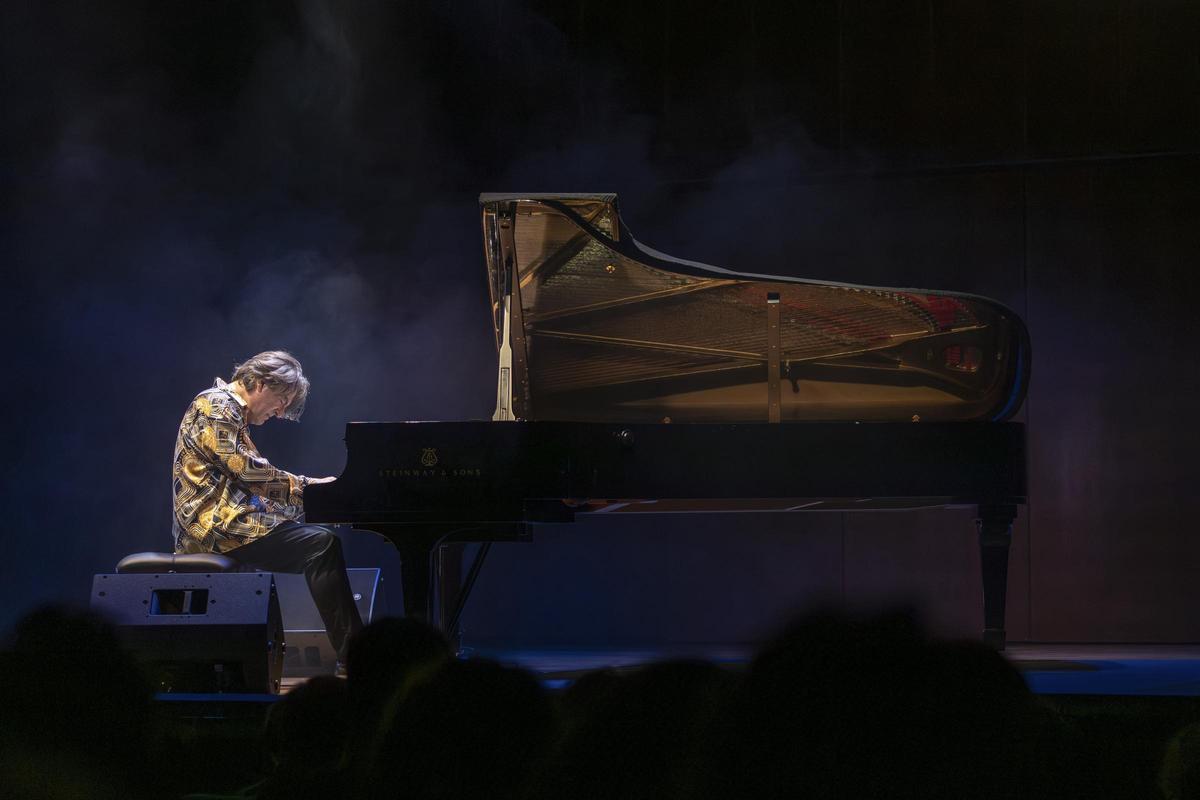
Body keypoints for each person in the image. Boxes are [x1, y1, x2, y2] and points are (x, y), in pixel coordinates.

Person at [171, 350, 362, 667]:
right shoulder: (216, 406)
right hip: (214, 527)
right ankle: (358, 657)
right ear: (259, 383)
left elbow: (260, 490)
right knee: (322, 545)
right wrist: (312, 490)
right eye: (282, 397)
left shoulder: (230, 414)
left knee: (319, 538)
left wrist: (325, 502)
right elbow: (251, 473)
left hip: (230, 522)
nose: (282, 409)